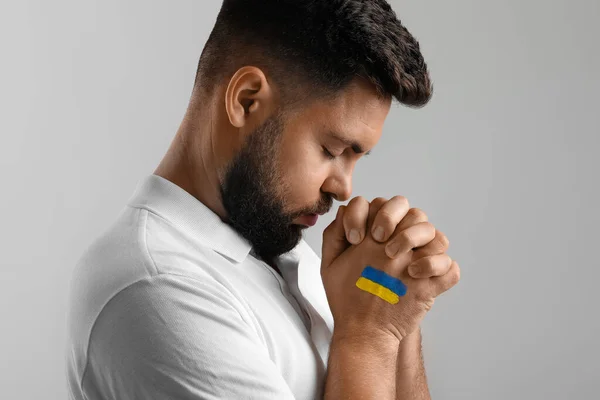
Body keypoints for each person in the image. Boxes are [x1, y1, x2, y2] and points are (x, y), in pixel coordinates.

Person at [65, 0, 460, 399]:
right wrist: (368, 335)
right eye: (332, 149)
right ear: (246, 100)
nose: (343, 189)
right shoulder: (157, 289)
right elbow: (369, 340)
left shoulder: (280, 248)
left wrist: (398, 308)